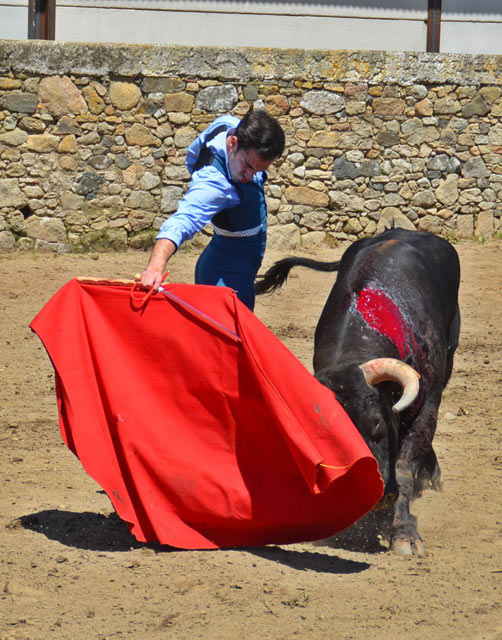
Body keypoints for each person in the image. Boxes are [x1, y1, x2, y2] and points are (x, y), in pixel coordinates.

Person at [140, 109, 286, 311]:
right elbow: (182, 221)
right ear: (233, 143)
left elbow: (195, 155)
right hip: (230, 271)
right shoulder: (214, 185)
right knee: (232, 339)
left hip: (224, 257)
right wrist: (155, 267)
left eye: (258, 171)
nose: (250, 176)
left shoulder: (227, 125)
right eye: (247, 165)